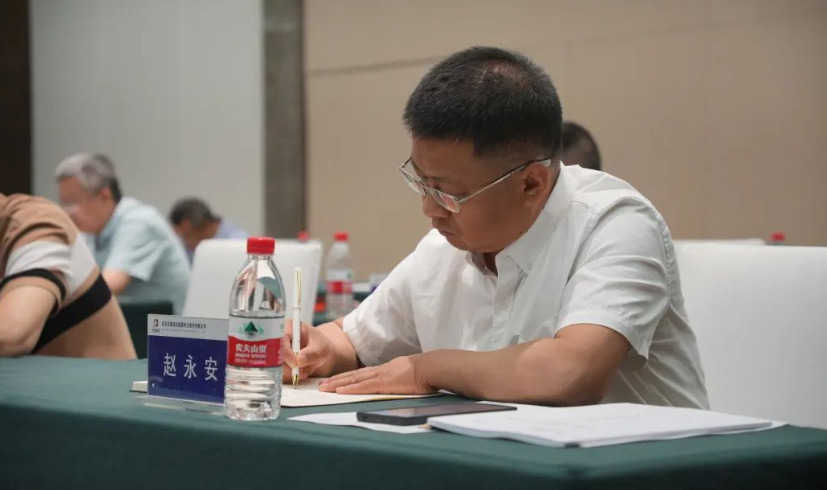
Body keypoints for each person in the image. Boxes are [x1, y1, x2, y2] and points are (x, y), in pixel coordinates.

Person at [284, 46, 708, 408]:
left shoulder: (616, 224)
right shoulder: (443, 248)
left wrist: (428, 368)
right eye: (421, 183)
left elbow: (570, 373)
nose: (430, 209)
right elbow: (352, 341)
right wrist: (316, 347)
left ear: (530, 183)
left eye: (448, 192)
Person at [0, 192, 136, 358]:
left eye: (73, 203)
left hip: (98, 374)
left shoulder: (38, 222)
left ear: (104, 196)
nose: (72, 212)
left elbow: (10, 336)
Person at [55, 153, 190, 314]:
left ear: (104, 196)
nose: (66, 212)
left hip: (165, 328)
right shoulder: (92, 230)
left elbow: (107, 286)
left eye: (72, 202)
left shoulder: (139, 222)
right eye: (63, 203)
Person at [168, 198, 248, 263]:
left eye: (186, 236)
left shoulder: (239, 243)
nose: (184, 242)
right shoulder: (183, 248)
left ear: (207, 227)